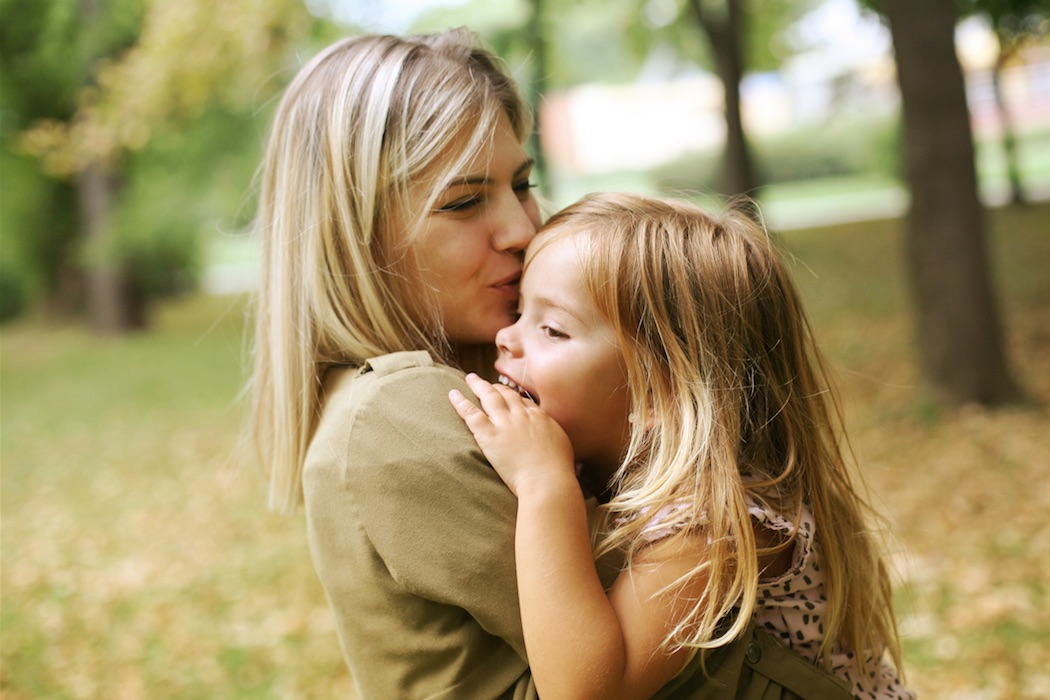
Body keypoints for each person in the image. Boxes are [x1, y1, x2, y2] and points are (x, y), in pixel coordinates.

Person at [450, 192, 914, 700]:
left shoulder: (713, 527)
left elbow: (584, 691)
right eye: (518, 311)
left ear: (661, 393)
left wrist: (544, 484)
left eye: (552, 330)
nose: (505, 338)